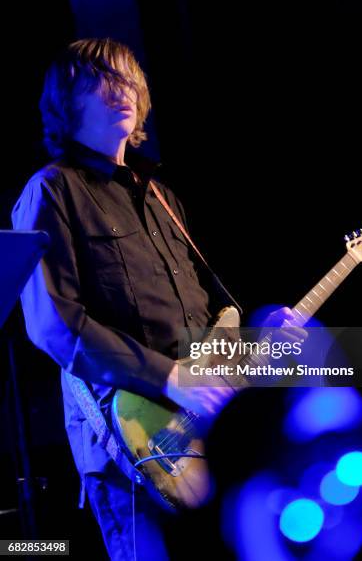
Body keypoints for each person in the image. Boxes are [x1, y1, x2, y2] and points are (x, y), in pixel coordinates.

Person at [11, 38, 299, 560]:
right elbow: (54, 322)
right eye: (103, 79)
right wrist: (169, 377)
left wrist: (262, 332)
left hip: (206, 435)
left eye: (128, 79)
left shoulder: (163, 198)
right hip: (131, 446)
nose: (121, 90)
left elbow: (210, 313)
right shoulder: (50, 190)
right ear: (67, 98)